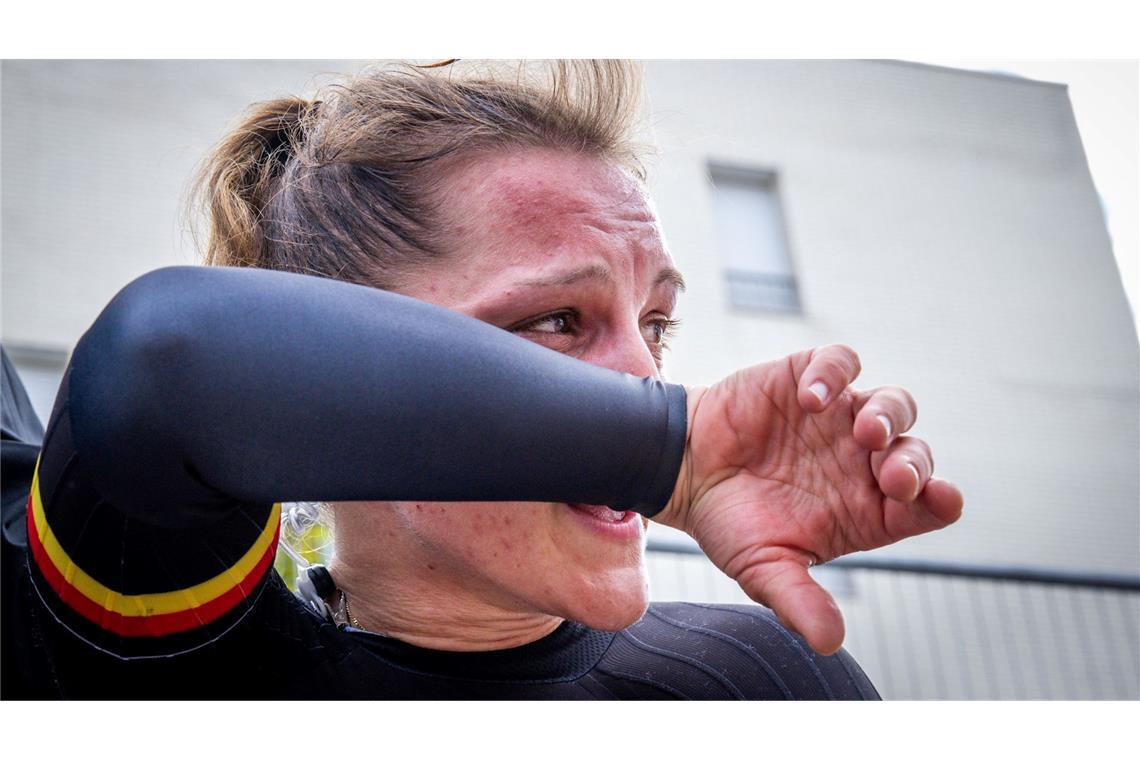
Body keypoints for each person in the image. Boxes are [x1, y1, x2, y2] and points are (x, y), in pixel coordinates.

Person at [1, 60, 961, 699]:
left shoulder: (756, 680)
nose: (639, 377)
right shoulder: (178, 658)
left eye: (657, 326)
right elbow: (164, 363)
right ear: (337, 360)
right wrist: (671, 451)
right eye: (555, 320)